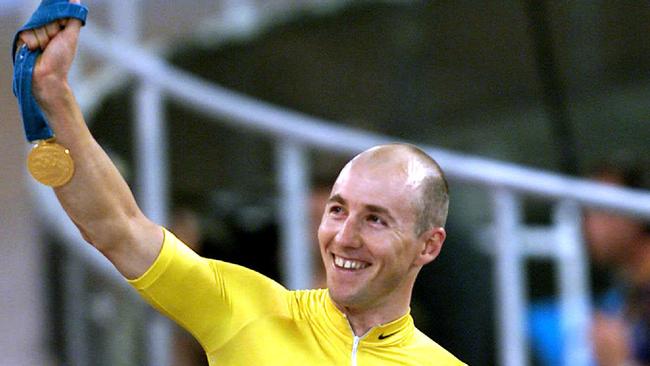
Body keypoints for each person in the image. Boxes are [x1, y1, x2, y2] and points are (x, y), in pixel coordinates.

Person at [15, 2, 466, 364]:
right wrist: (54, 95)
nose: (344, 237)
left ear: (429, 245)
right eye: (337, 209)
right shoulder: (244, 308)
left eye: (375, 220)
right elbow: (117, 227)